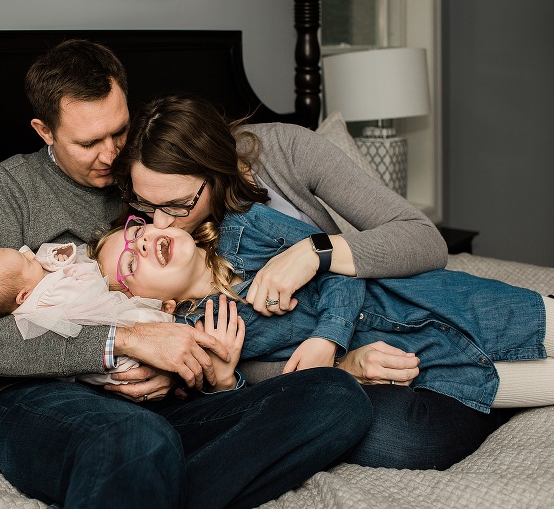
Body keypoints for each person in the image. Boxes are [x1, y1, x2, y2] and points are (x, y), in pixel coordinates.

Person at [0, 39, 373, 509]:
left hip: (175, 406)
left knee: (335, 398)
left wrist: (195, 374)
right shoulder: (3, 194)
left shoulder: (155, 175)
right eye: (88, 143)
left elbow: (214, 296)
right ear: (45, 131)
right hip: (46, 402)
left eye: (119, 131)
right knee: (136, 437)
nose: (110, 155)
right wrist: (121, 342)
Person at [109, 94, 522, 469]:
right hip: (331, 369)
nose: (158, 222)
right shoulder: (166, 261)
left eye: (178, 205)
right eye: (146, 207)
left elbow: (423, 240)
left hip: (378, 305)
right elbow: (249, 362)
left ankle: (482, 380)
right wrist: (343, 367)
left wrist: (314, 255)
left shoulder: (282, 157)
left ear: (216, 170)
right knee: (394, 435)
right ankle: (477, 387)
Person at [92, 211, 554, 411]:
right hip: (426, 363)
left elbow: (336, 257)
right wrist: (225, 381)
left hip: (436, 297)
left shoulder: (247, 226)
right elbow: (259, 411)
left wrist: (327, 335)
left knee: (540, 318)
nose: (145, 242)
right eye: (131, 262)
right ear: (155, 305)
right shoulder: (199, 336)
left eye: (137, 231)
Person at [0, 242, 170, 385]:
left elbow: (43, 263)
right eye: (26, 261)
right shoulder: (47, 297)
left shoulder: (29, 289)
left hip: (91, 361)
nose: (29, 254)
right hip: (111, 358)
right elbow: (90, 291)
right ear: (23, 295)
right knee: (142, 322)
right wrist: (79, 271)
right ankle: (168, 321)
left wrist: (55, 260)